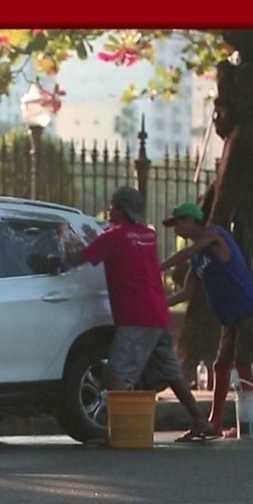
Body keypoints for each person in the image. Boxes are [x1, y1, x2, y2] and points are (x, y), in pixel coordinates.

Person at [61, 186, 216, 442]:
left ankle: (118, 431)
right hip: (157, 313)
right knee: (171, 372)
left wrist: (67, 244)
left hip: (135, 317)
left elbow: (78, 258)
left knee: (118, 374)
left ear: (122, 209)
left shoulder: (115, 238)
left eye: (113, 205)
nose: (110, 209)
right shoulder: (147, 235)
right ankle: (201, 421)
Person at [160, 202, 253, 440]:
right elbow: (187, 292)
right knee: (220, 366)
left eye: (177, 223)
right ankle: (214, 422)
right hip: (230, 318)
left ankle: (250, 422)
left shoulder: (214, 234)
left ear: (190, 220)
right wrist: (159, 304)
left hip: (246, 311)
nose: (175, 229)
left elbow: (186, 253)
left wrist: (157, 267)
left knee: (243, 365)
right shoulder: (198, 259)